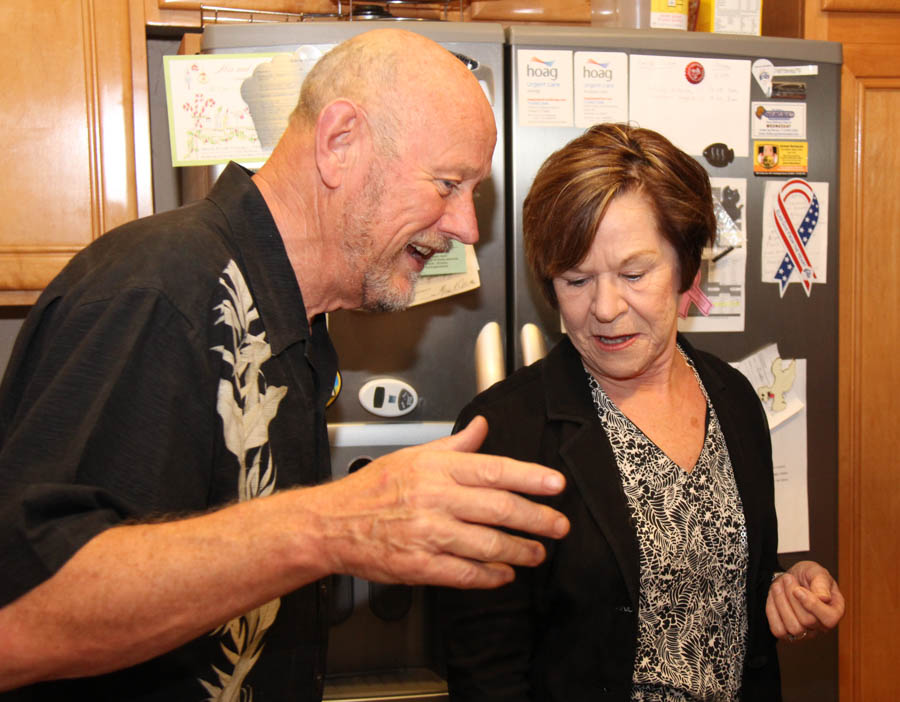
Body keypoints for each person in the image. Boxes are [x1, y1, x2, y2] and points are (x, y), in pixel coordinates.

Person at [0, 29, 571, 700]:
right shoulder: (159, 293)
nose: (468, 229)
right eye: (449, 183)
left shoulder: (293, 325)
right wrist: (335, 525)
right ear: (339, 142)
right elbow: (21, 620)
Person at [438, 123, 844, 701]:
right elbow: (486, 674)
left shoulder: (733, 400)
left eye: (634, 274)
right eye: (576, 279)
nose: (604, 308)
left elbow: (710, 576)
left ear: (687, 272)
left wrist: (781, 585)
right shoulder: (504, 432)